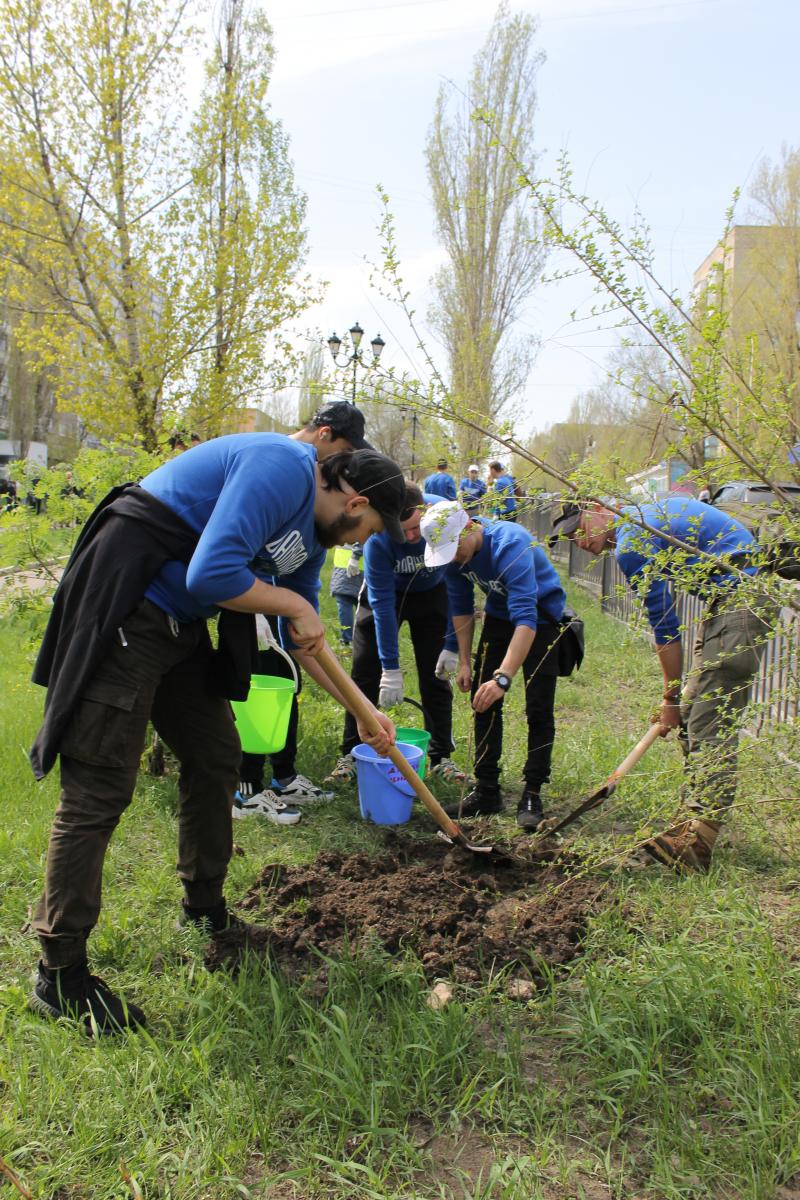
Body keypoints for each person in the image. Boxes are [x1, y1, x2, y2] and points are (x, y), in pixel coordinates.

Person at [27, 434, 404, 1032]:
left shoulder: (311, 535)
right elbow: (210, 574)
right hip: (129, 602)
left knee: (215, 756)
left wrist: (360, 710)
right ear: (355, 501)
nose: (363, 543)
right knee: (98, 788)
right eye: (372, 530)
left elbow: (303, 635)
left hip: (177, 624)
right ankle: (61, 974)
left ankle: (205, 912)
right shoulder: (284, 468)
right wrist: (288, 602)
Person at [550, 497, 777, 872]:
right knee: (694, 717)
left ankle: (697, 841)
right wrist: (676, 702)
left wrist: (670, 697)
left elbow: (666, 630)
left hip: (741, 603)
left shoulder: (632, 542)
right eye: (570, 537)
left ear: (599, 508)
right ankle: (692, 822)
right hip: (732, 602)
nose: (579, 542)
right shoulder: (645, 520)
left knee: (708, 723)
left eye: (579, 529)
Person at [236, 401, 372, 811]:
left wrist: (359, 709)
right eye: (344, 452)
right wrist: (256, 604)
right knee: (250, 683)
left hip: (270, 601)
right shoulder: (280, 462)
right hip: (236, 597)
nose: (342, 468)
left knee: (285, 676)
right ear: (325, 434)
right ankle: (244, 785)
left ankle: (284, 774)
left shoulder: (311, 499)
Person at [420, 500, 567, 830]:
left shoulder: (511, 544)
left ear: (469, 527)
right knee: (482, 704)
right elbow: (460, 606)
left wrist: (503, 677)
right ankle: (487, 790)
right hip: (499, 616)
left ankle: (532, 792)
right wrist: (464, 663)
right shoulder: (455, 558)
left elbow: (527, 619)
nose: (454, 558)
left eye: (454, 548)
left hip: (541, 618)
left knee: (538, 707)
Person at [327, 484, 469, 786]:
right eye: (403, 531)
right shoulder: (379, 541)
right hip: (385, 595)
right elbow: (381, 604)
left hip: (432, 595)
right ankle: (352, 752)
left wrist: (453, 645)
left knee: (436, 674)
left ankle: (441, 756)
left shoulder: (441, 519)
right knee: (364, 672)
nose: (413, 536)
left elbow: (459, 584)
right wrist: (390, 668)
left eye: (417, 527)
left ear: (425, 513)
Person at [329, 542, 363, 646]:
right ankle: (362, 638)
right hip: (351, 566)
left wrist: (355, 556)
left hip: (354, 565)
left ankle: (347, 639)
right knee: (362, 605)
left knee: (346, 603)